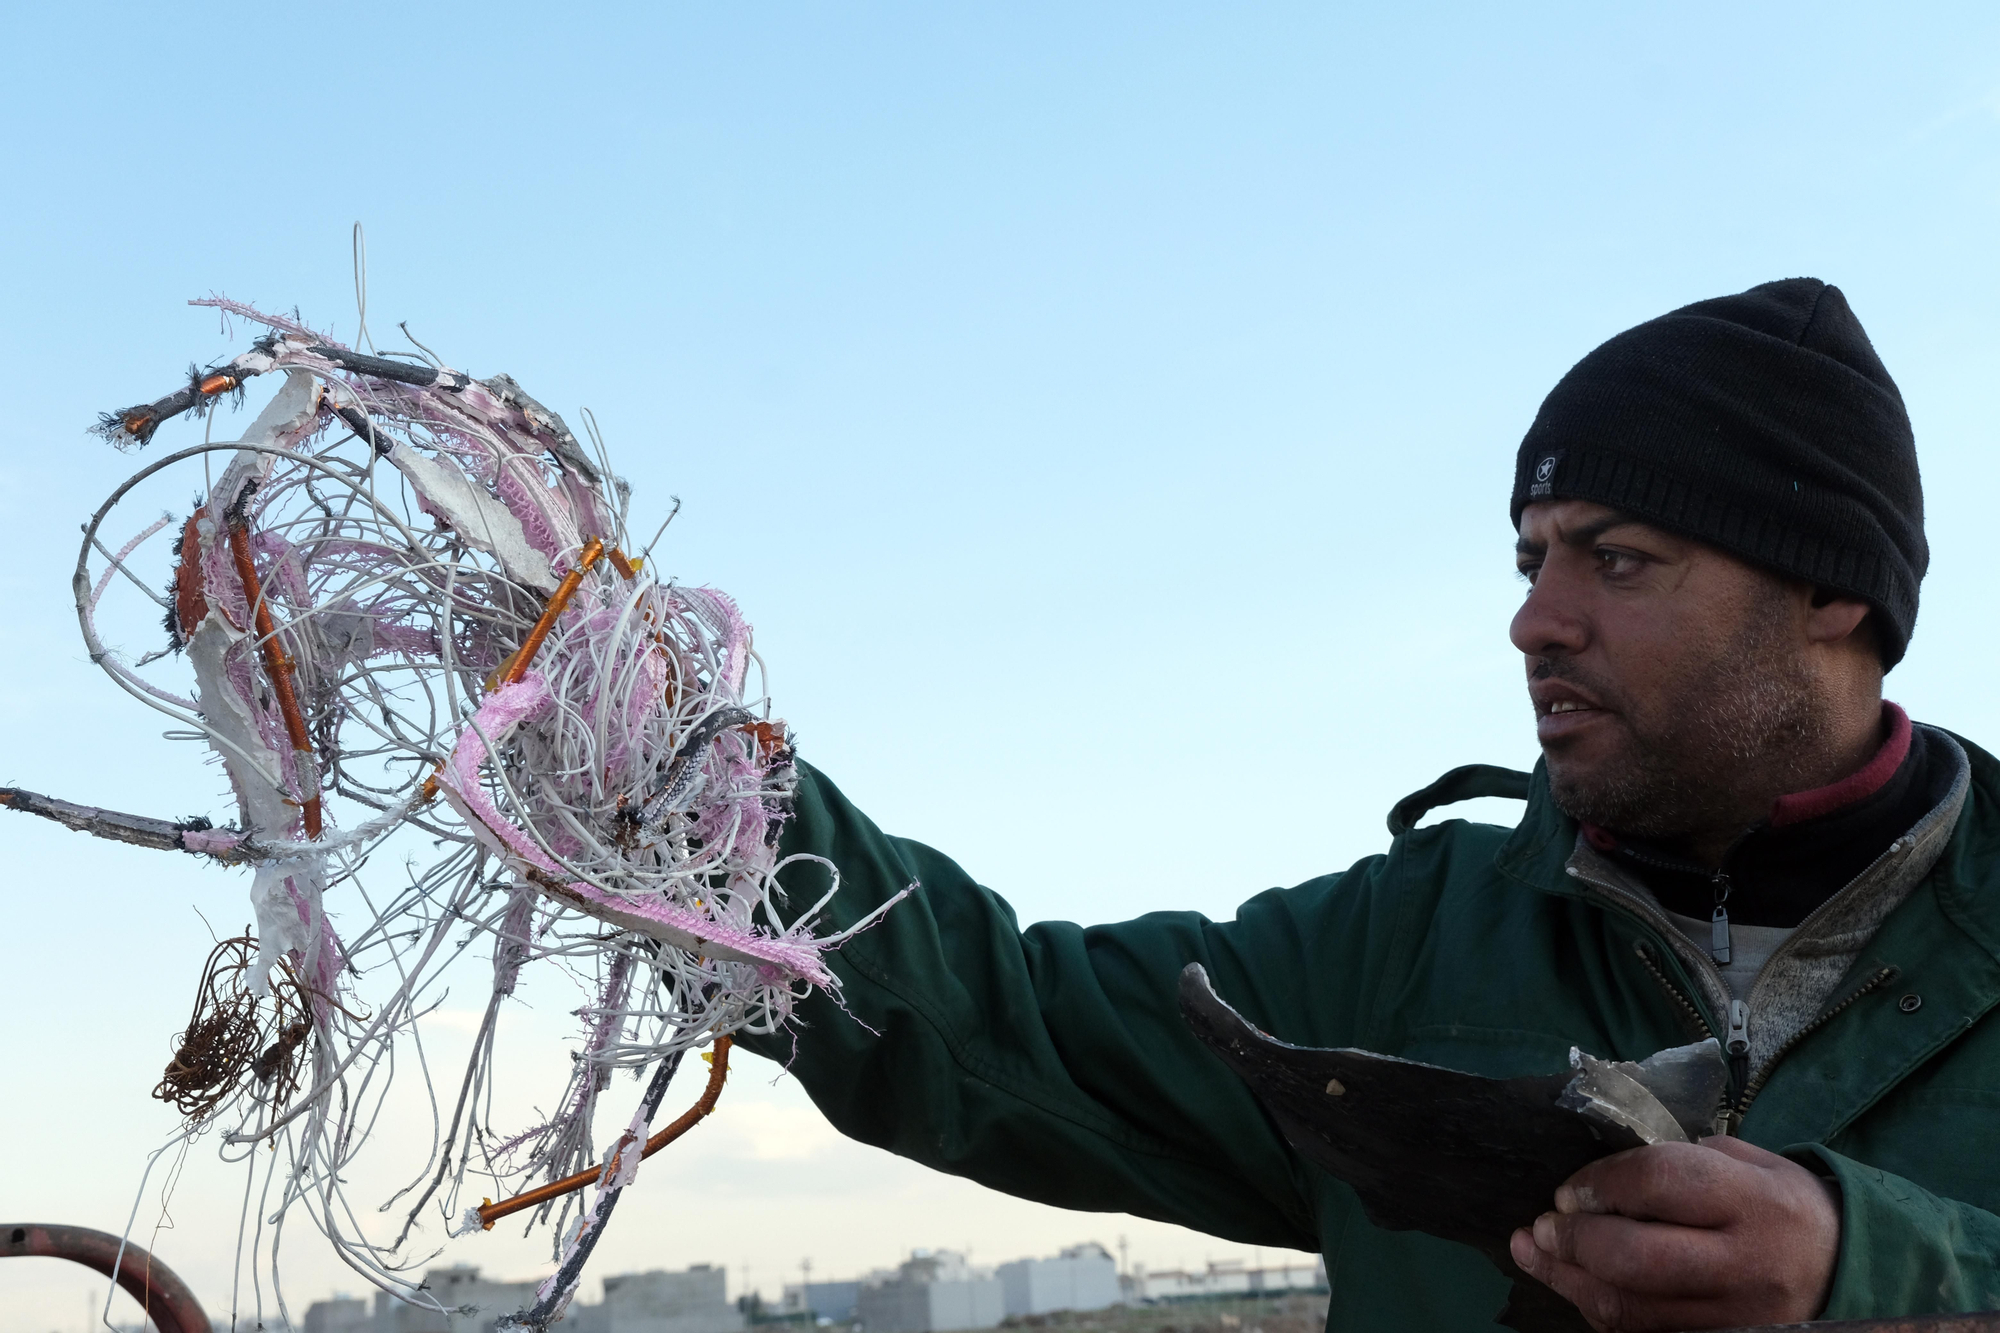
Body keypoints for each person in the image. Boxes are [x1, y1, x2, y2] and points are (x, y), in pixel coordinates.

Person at [737, 278, 2000, 1332]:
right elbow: (1000, 1020)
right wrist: (702, 802)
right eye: (1530, 557)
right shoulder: (1410, 937)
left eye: (1616, 559)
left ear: (1830, 592)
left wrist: (1863, 1267)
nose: (1534, 620)